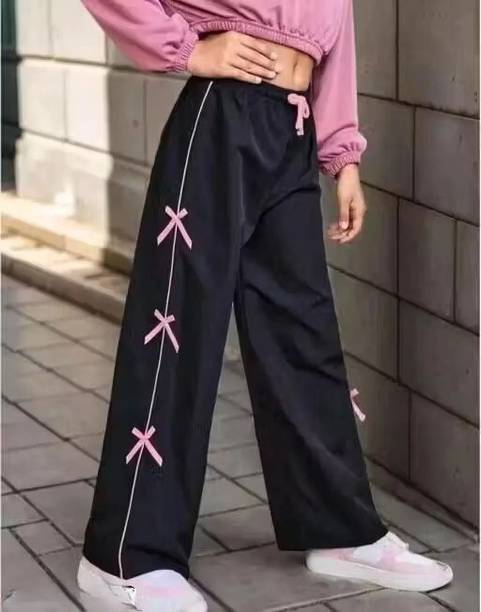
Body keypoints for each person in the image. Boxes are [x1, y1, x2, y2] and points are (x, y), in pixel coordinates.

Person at [77, 1, 454, 610]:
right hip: (220, 118)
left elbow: (336, 34)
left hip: (294, 132)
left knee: (304, 332)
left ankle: (339, 530)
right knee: (177, 330)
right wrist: (187, 49)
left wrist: (343, 156)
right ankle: (124, 555)